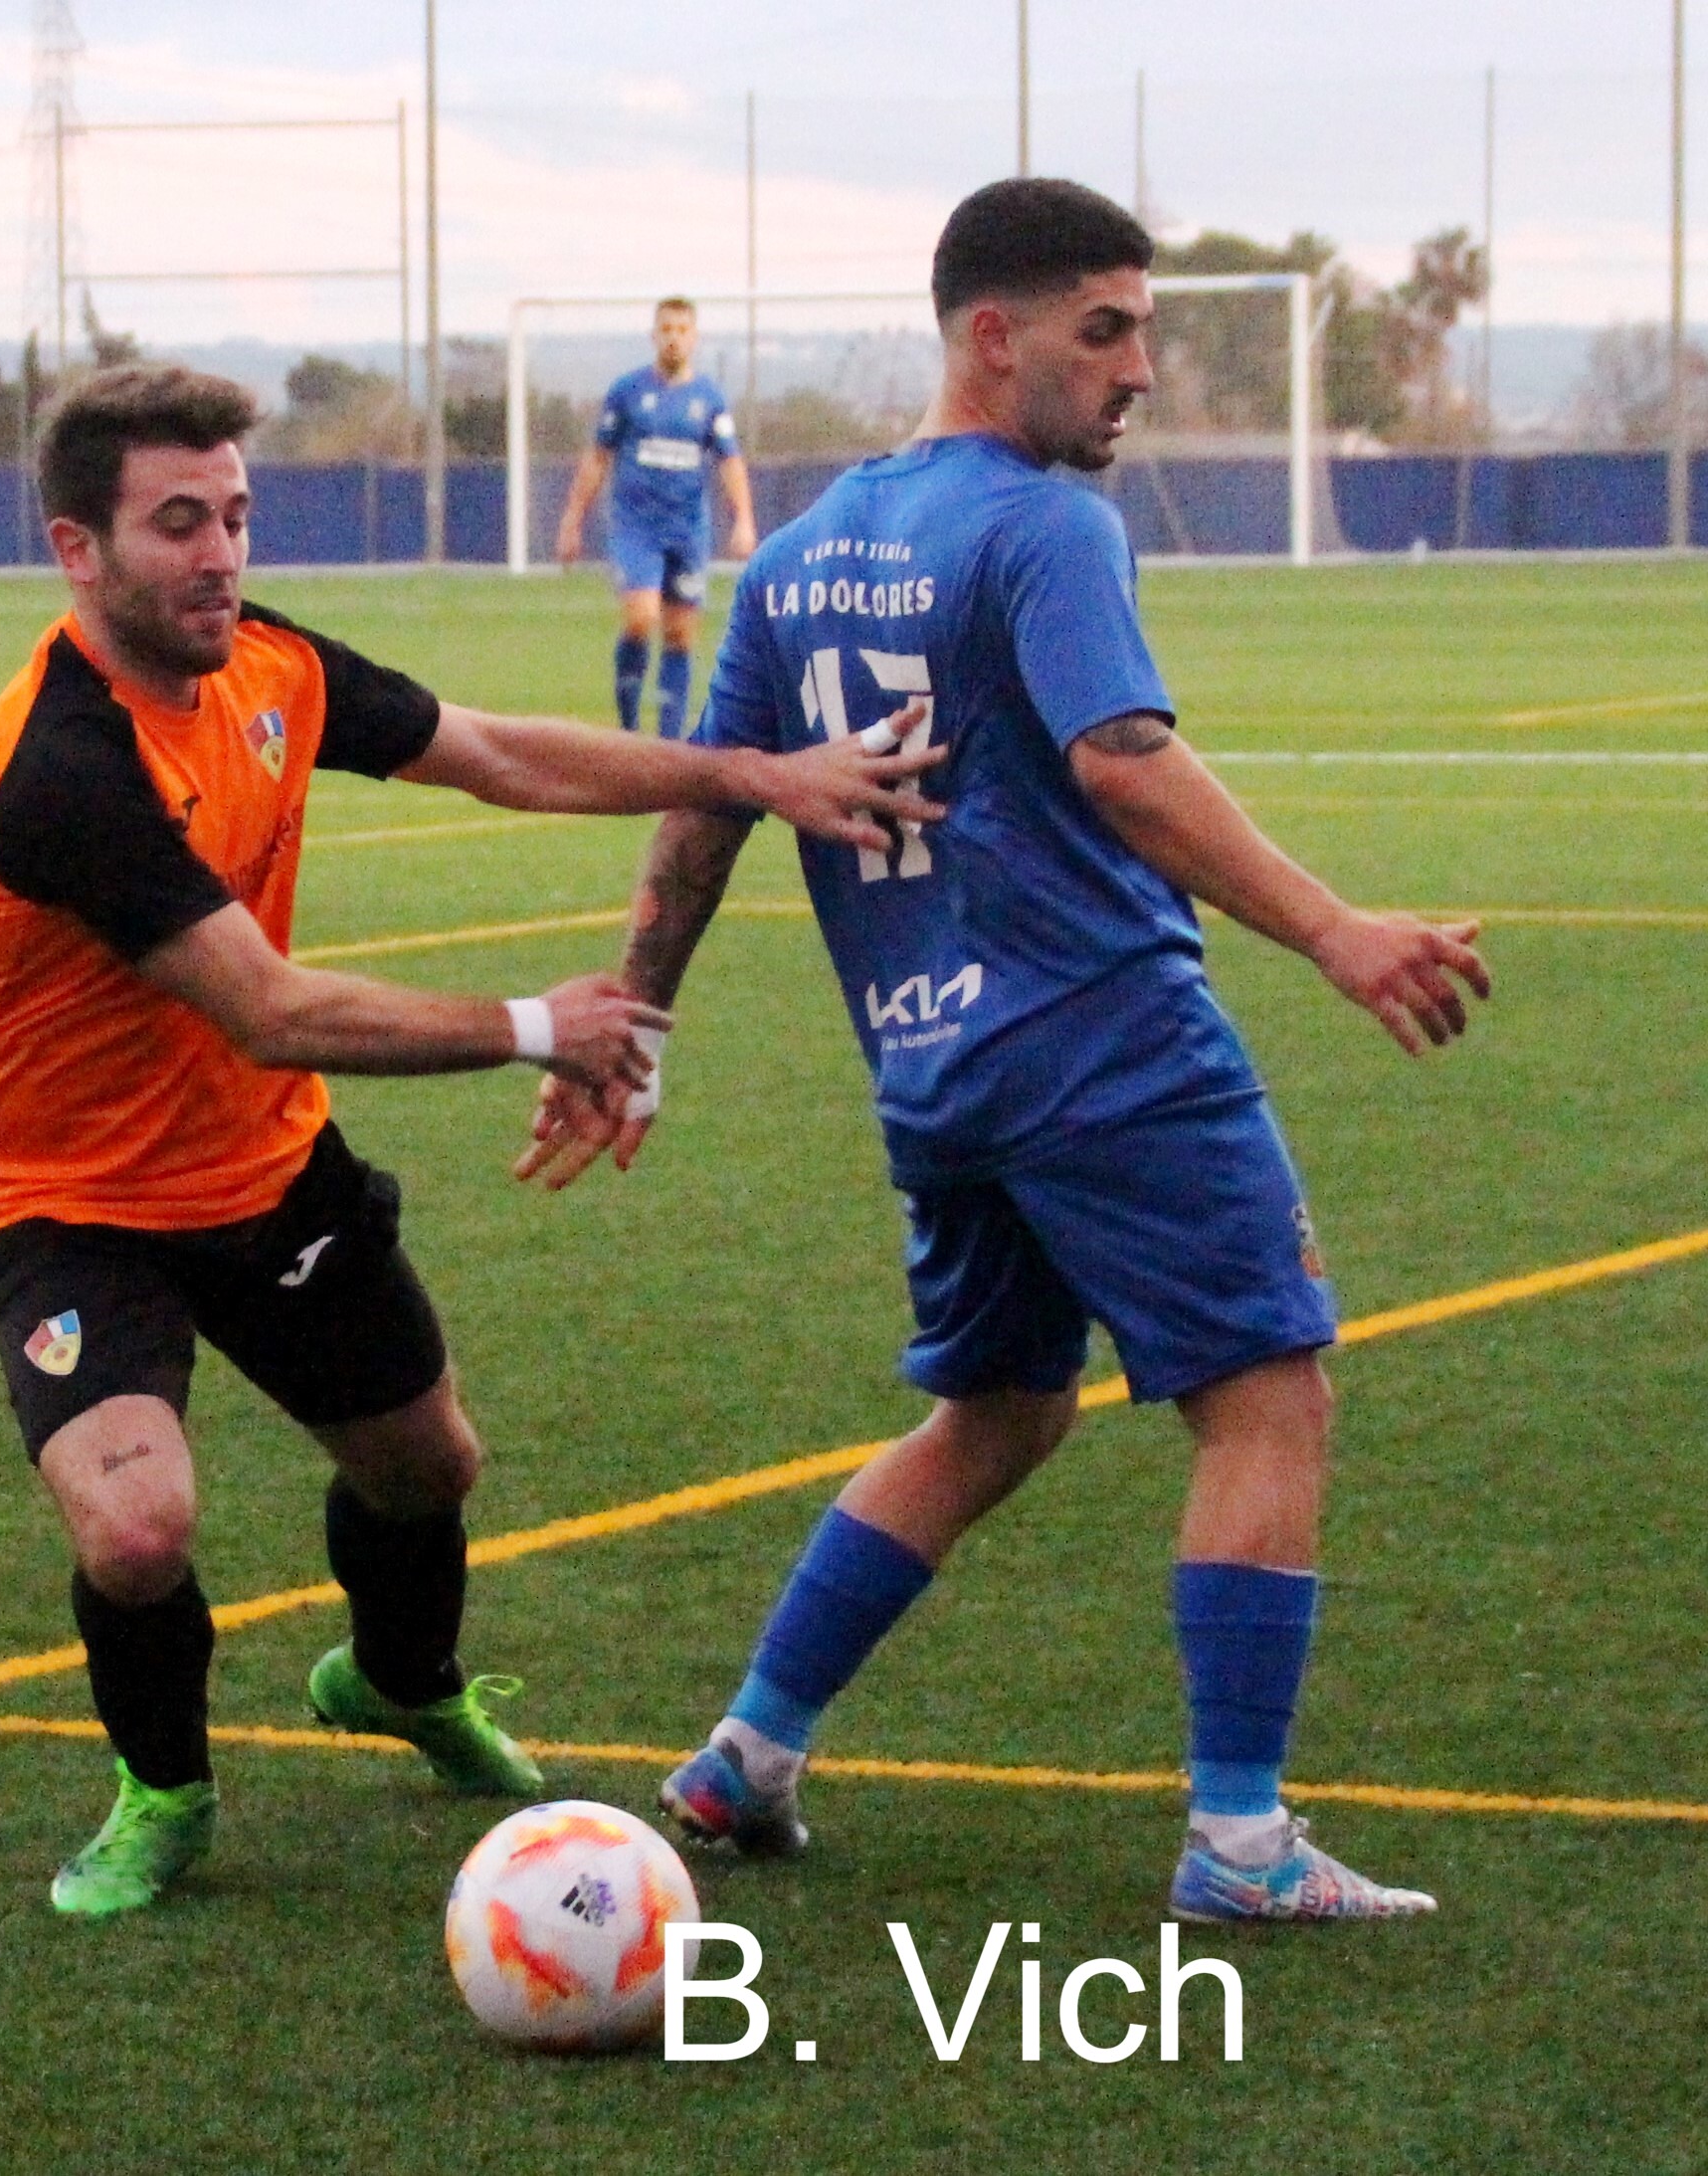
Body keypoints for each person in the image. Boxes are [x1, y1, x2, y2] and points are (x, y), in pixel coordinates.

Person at [517, 179, 1491, 1923]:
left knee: (1001, 1408)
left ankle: (745, 1753)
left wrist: (637, 1016)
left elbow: (707, 809)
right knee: (1269, 1392)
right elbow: (1123, 760)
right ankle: (1242, 1840)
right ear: (992, 335)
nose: (1139, 370)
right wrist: (1337, 929)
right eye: (1103, 331)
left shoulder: (799, 556)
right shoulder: (1045, 525)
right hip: (1106, 1041)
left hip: (933, 1067)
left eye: (1143, 331)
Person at [0, 363, 945, 1918]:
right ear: (79, 549)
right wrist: (540, 1023)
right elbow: (268, 1007)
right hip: (67, 1201)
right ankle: (164, 1788)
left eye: (236, 516)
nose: (221, 554)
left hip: (263, 1169)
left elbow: (495, 751)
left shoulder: (269, 666)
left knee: (427, 1465)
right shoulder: (60, 765)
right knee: (138, 1524)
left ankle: (400, 1679)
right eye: (178, 523)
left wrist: (751, 773)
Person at [552, 297, 758, 739]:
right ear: (653, 335)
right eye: (666, 329)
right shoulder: (628, 392)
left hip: (688, 531)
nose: (674, 338)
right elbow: (597, 457)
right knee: (641, 618)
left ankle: (669, 744)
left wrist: (743, 519)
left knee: (681, 635)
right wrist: (572, 519)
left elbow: (729, 461)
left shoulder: (709, 399)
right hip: (636, 528)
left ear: (694, 338)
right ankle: (629, 730)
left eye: (682, 330)